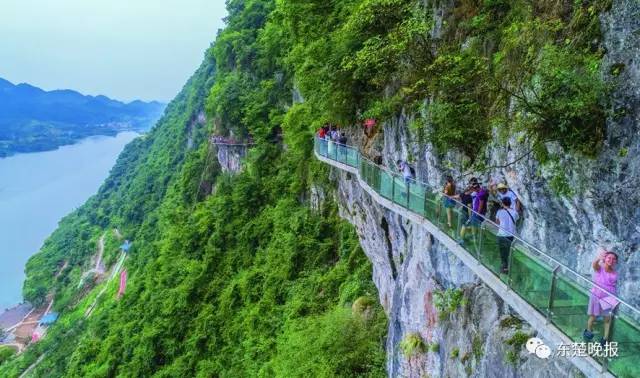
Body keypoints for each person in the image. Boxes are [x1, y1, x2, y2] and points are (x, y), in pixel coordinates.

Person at [584, 249, 619, 345]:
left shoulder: (615, 273)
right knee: (593, 316)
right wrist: (598, 258)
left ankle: (605, 338)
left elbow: (612, 286)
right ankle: (588, 330)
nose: (611, 260)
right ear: (605, 259)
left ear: (616, 261)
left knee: (607, 318)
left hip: (608, 297)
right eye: (609, 258)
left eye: (613, 259)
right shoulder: (600, 268)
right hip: (596, 295)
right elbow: (594, 265)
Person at [458, 178, 488, 245]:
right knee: (474, 226)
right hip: (476, 213)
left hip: (477, 213)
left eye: (473, 189)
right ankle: (475, 238)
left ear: (477, 188)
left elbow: (481, 204)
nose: (472, 190)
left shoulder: (481, 194)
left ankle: (461, 240)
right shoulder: (481, 192)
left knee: (465, 225)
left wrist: (477, 214)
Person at [495, 197, 518, 273]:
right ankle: (509, 267)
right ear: (510, 203)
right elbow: (516, 220)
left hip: (501, 234)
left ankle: (504, 268)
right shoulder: (514, 212)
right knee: (509, 252)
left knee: (503, 252)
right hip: (511, 235)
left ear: (503, 203)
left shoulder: (499, 212)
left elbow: (497, 222)